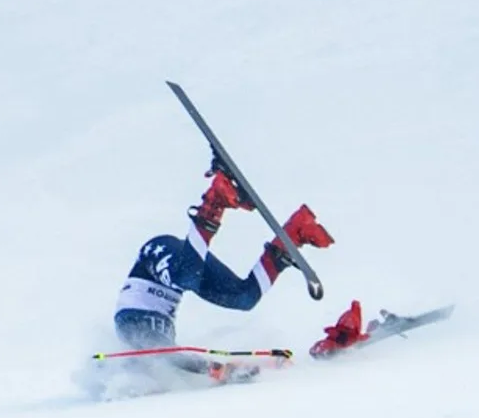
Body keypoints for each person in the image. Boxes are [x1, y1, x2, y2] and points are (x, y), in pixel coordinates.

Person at [114, 157, 334, 382]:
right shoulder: (162, 349)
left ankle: (214, 202)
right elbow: (176, 357)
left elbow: (171, 357)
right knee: (244, 298)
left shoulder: (135, 339)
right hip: (187, 265)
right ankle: (291, 238)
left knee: (185, 279)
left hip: (156, 257)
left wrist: (217, 369)